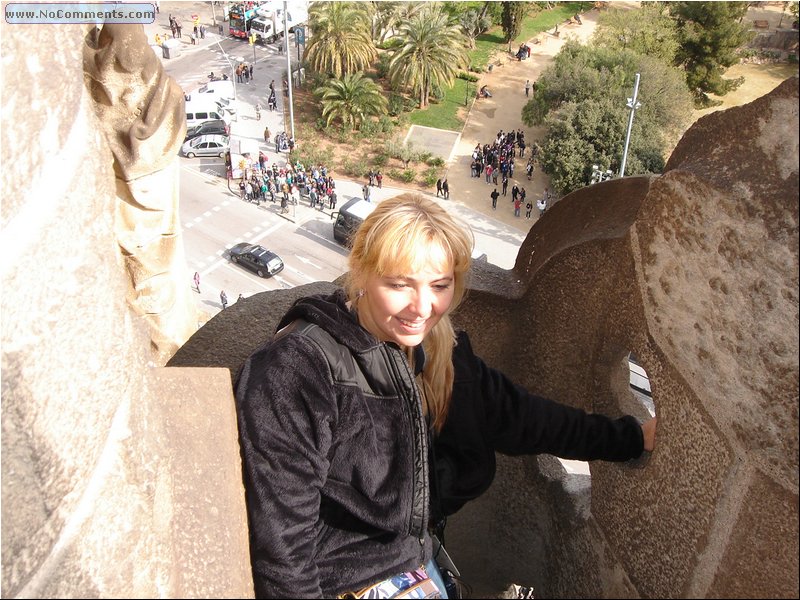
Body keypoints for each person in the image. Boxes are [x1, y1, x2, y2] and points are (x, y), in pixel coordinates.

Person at [234, 194, 656, 598]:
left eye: (440, 285)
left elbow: (523, 417)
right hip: (341, 580)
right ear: (361, 272)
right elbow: (281, 543)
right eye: (400, 284)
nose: (422, 306)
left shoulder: (440, 351)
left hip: (415, 564)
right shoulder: (300, 367)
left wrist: (631, 437)